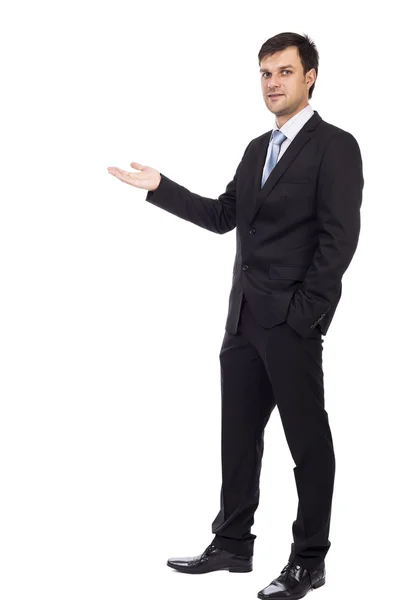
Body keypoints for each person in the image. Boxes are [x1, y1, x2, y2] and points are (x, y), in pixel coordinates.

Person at [107, 31, 363, 600]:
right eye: (265, 74)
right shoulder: (255, 149)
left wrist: (306, 316)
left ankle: (308, 560)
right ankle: (232, 543)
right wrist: (160, 188)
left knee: (308, 444)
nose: (273, 83)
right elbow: (226, 215)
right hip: (243, 319)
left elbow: (339, 240)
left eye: (285, 72)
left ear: (310, 77)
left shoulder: (335, 146)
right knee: (238, 437)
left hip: (292, 323)